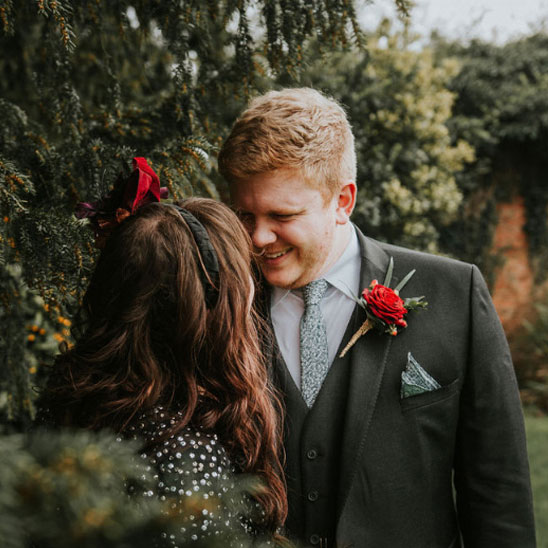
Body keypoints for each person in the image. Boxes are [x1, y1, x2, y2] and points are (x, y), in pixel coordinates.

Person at [218, 88, 536, 548]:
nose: (258, 237)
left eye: (281, 215)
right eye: (244, 214)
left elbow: (497, 489)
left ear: (343, 201)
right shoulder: (219, 301)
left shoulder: (454, 294)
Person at [38, 159, 287, 546]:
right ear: (209, 314)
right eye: (243, 282)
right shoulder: (188, 462)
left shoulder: (70, 402)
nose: (253, 293)